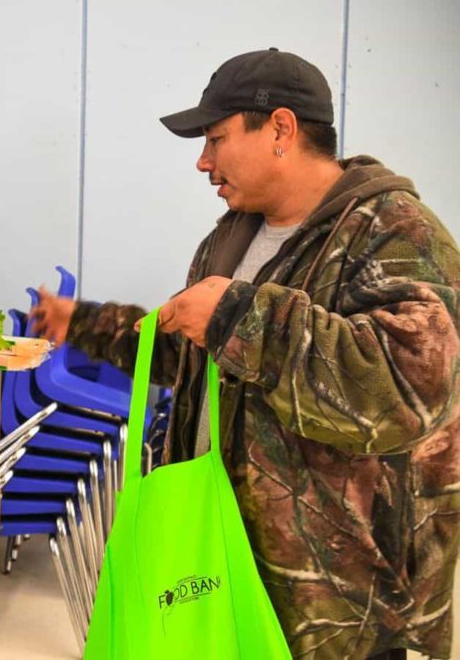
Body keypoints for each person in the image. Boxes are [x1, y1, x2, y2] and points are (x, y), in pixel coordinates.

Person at [32, 48, 460, 659]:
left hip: (340, 613)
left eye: (217, 139)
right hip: (221, 565)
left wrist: (239, 316)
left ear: (280, 129)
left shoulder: (395, 233)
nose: (204, 162)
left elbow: (407, 392)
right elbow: (187, 356)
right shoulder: (230, 239)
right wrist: (82, 321)